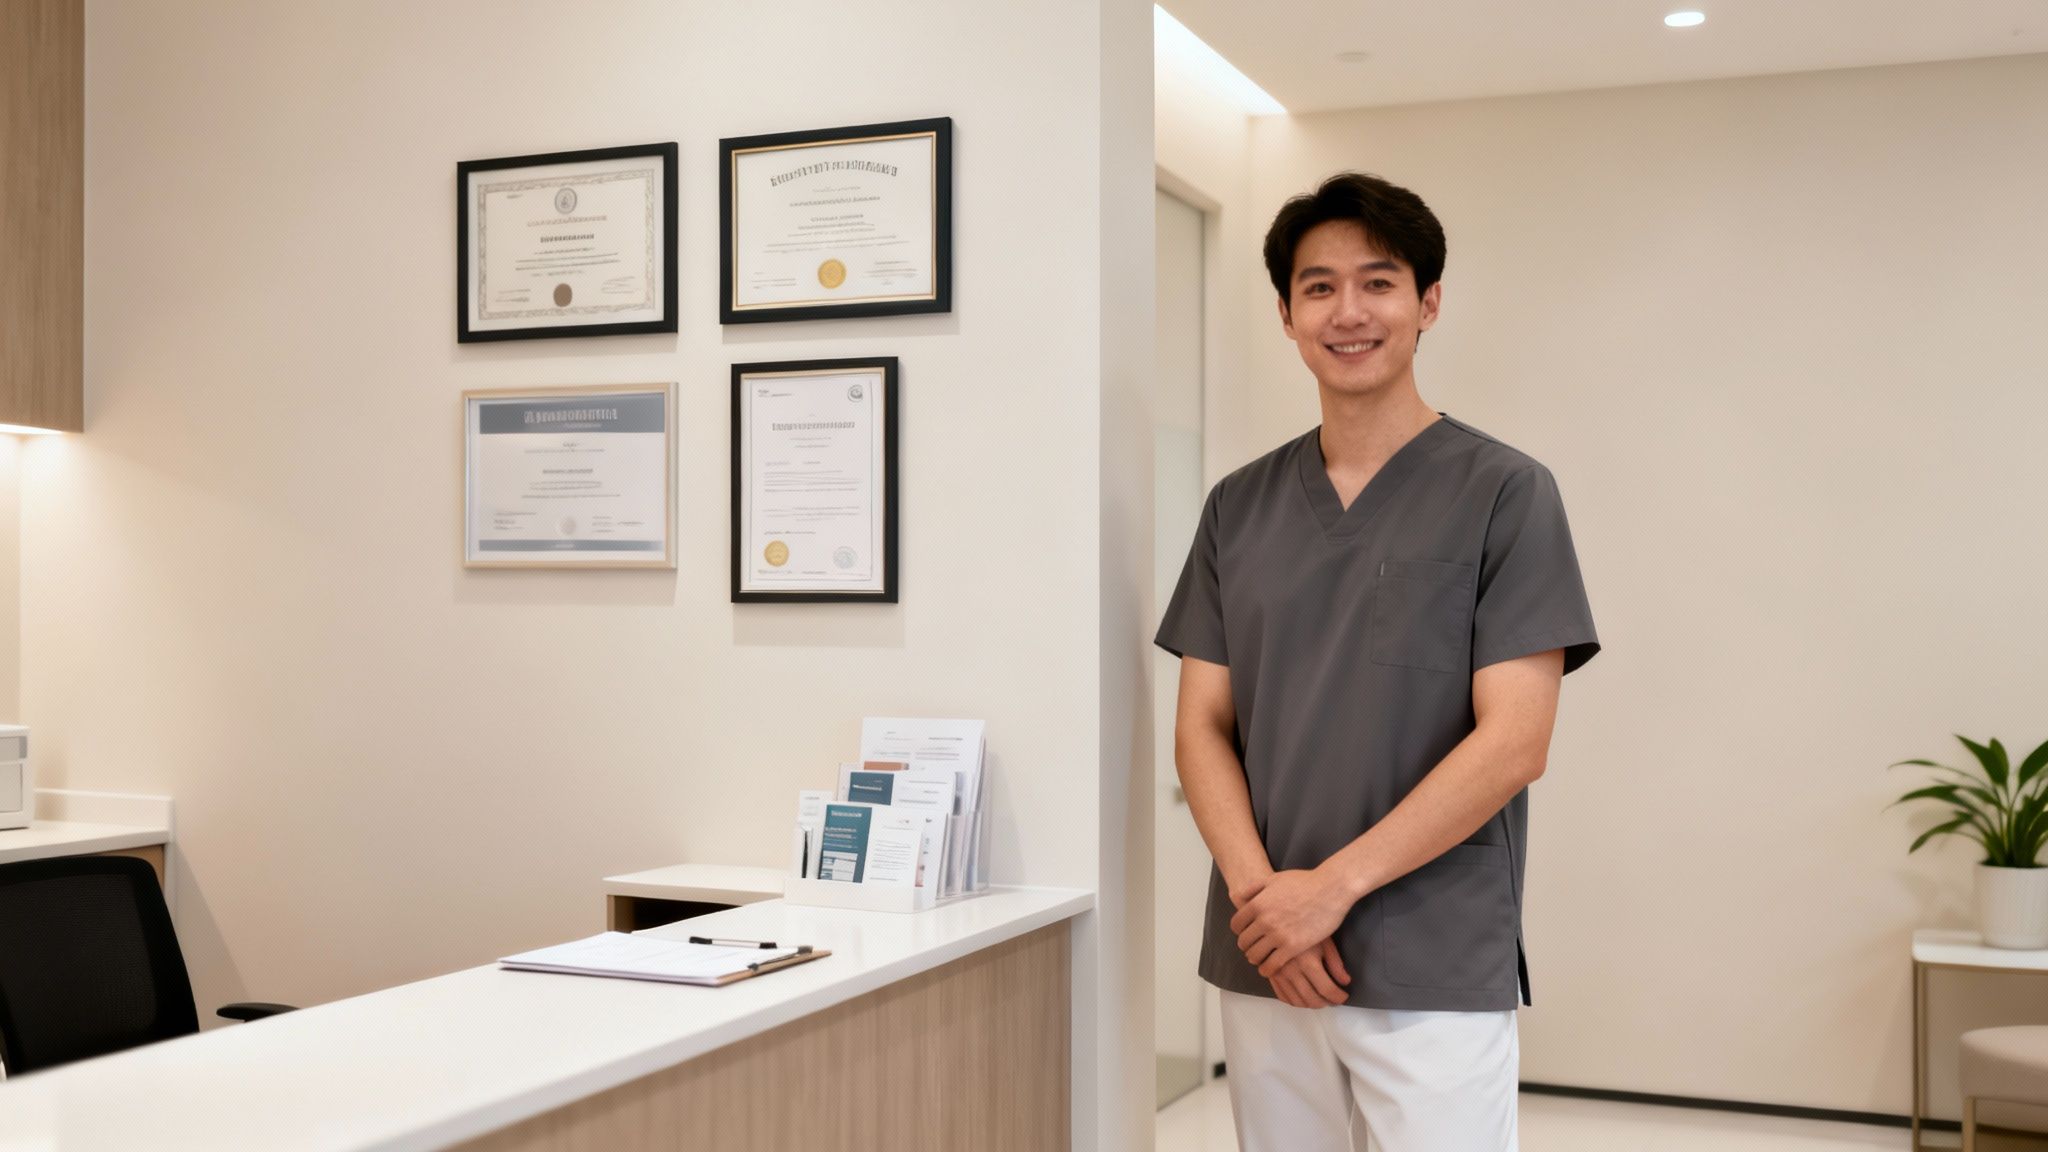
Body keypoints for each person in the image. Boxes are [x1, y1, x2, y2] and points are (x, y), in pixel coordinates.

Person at [1153, 172, 1600, 1151]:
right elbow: (1199, 728)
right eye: (1316, 287)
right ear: (1284, 313)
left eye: (1377, 282)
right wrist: (1263, 900)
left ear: (1426, 303)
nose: (1346, 312)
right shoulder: (1238, 504)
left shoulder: (1506, 493)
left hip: (1428, 957)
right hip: (1266, 948)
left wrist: (1330, 891)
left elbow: (1515, 743)